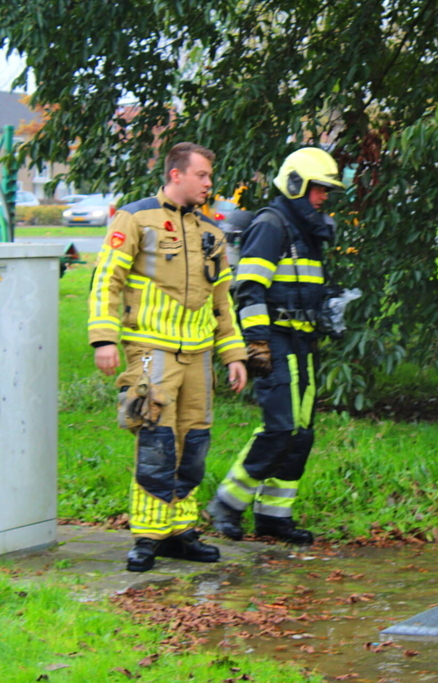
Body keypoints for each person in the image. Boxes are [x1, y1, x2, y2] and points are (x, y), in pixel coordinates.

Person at [88, 142, 248, 572]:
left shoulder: (212, 231)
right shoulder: (136, 218)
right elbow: (107, 278)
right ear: (177, 174)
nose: (210, 183)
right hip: (150, 349)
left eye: (210, 176)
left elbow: (222, 301)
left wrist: (233, 352)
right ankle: (147, 536)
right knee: (156, 441)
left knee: (193, 442)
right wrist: (104, 338)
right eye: (202, 175)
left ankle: (181, 532)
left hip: (198, 356)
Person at [205, 147, 344, 545]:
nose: (322, 198)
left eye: (325, 191)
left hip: (304, 339)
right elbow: (249, 289)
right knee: (280, 427)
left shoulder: (307, 230)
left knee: (302, 433)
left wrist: (330, 301)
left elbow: (301, 284)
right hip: (276, 339)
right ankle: (227, 504)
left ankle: (273, 516)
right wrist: (257, 344)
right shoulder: (272, 224)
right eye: (318, 189)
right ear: (297, 184)